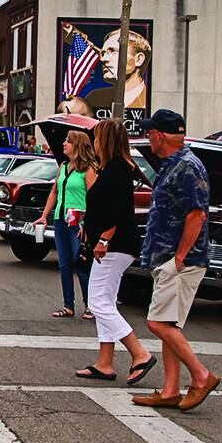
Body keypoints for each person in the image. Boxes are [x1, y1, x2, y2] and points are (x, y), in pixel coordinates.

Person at [132, 109, 220, 412]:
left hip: (179, 260)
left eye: (150, 132)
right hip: (169, 257)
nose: (148, 137)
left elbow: (197, 214)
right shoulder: (174, 164)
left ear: (160, 135)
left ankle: (201, 376)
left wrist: (180, 257)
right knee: (169, 323)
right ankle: (170, 390)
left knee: (157, 322)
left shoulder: (186, 167)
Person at [75, 120, 156, 384]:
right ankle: (105, 362)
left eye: (97, 138)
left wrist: (104, 239)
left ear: (106, 140)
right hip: (113, 243)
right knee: (105, 302)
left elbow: (120, 209)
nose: (94, 143)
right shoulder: (111, 168)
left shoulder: (118, 169)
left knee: (97, 302)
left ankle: (139, 353)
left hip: (115, 245)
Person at [35, 131, 97, 320]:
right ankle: (68, 305)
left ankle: (90, 306)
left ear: (77, 146)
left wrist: (87, 222)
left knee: (81, 262)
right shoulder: (64, 166)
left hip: (78, 221)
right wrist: (45, 215)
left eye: (68, 142)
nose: (64, 144)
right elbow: (54, 191)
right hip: (61, 219)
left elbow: (94, 198)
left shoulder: (89, 169)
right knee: (64, 264)